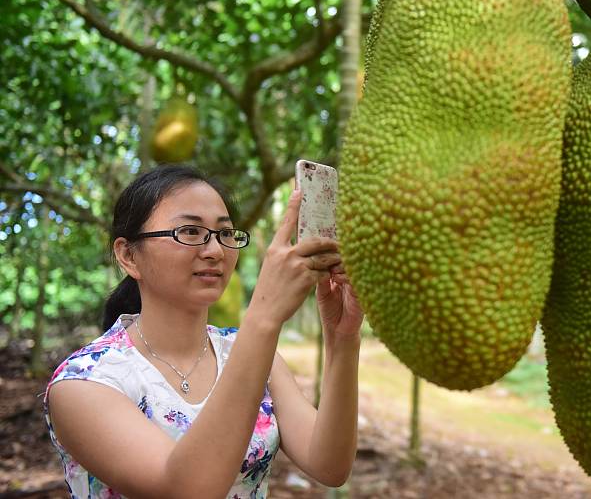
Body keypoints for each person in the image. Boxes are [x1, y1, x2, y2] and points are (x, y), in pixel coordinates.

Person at [44, 164, 364, 498]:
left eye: (225, 234)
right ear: (128, 255)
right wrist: (264, 316)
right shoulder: (84, 382)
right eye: (190, 232)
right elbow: (184, 489)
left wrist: (343, 339)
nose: (215, 251)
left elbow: (330, 465)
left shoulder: (249, 355)